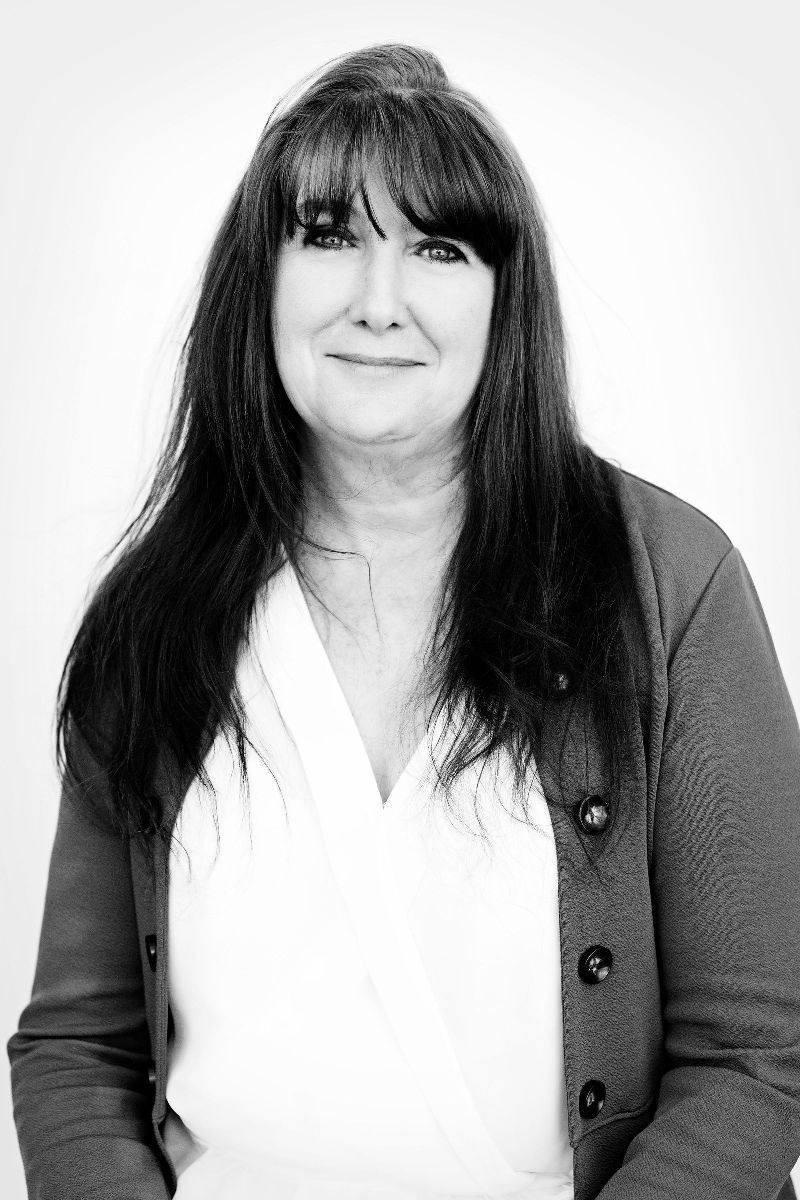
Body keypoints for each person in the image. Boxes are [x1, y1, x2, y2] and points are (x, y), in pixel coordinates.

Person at [7, 40, 800, 1200]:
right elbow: (76, 1049)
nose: (377, 303)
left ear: (501, 297)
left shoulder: (669, 583)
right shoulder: (158, 609)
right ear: (260, 280)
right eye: (327, 237)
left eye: (435, 247)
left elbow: (754, 1056)